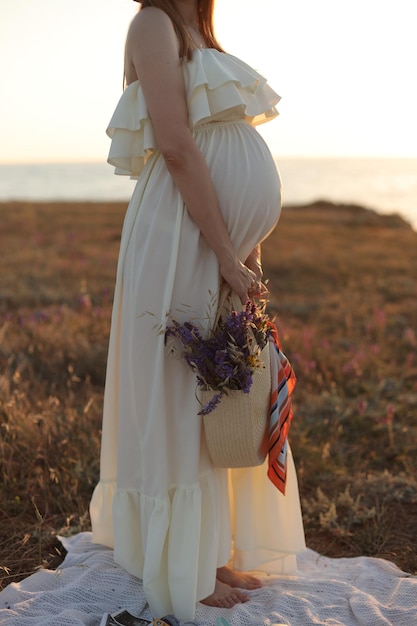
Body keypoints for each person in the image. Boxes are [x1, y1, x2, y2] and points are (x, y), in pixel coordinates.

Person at [90, 0, 305, 621]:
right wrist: (222, 250)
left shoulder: (200, 30)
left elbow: (224, 151)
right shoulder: (152, 23)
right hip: (180, 234)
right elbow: (179, 147)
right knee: (183, 396)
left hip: (213, 239)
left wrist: (246, 249)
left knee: (216, 397)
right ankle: (185, 563)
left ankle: (209, 553)